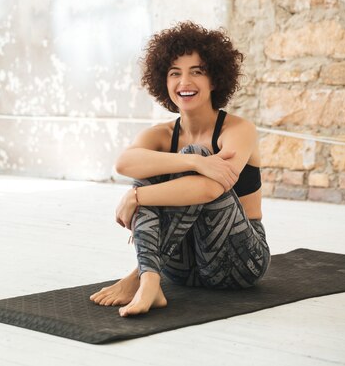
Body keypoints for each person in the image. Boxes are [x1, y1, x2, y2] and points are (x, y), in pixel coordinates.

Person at [90, 21, 270, 317]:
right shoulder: (160, 134)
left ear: (214, 80)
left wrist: (137, 197)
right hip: (178, 269)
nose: (184, 82)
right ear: (165, 81)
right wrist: (194, 161)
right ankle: (150, 280)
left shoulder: (239, 129)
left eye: (196, 72)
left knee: (184, 159)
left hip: (239, 263)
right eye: (175, 73)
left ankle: (140, 277)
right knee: (158, 164)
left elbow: (211, 188)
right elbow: (124, 162)